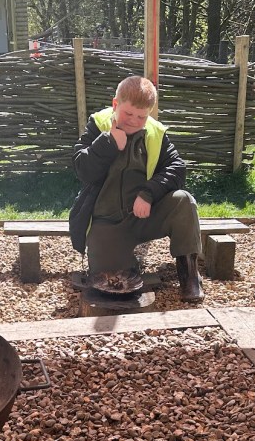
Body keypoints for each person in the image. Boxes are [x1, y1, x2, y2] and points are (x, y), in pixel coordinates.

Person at [68, 75, 204, 302]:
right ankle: (126, 259)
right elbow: (82, 169)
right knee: (111, 280)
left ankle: (189, 273)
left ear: (149, 113)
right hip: (106, 223)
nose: (133, 120)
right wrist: (109, 142)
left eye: (141, 116)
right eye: (128, 113)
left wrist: (149, 193)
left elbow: (177, 169)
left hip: (144, 216)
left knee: (183, 200)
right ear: (115, 104)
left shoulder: (156, 133)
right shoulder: (98, 124)